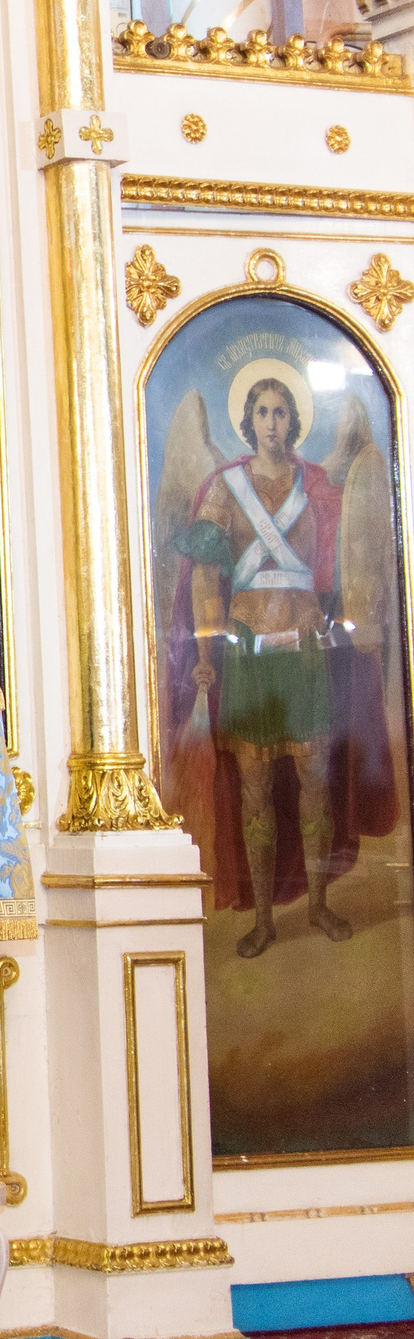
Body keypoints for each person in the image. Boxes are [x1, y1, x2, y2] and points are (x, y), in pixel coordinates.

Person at [170, 375, 382, 956]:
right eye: (261, 412)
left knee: (314, 786)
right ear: (249, 421)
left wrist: (347, 614)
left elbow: (345, 569)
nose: (271, 422)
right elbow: (206, 579)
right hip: (249, 658)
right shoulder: (223, 490)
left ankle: (316, 905)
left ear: (293, 421)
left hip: (305, 654)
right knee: (257, 791)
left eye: (281, 412)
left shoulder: (316, 487)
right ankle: (264, 920)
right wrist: (208, 655)